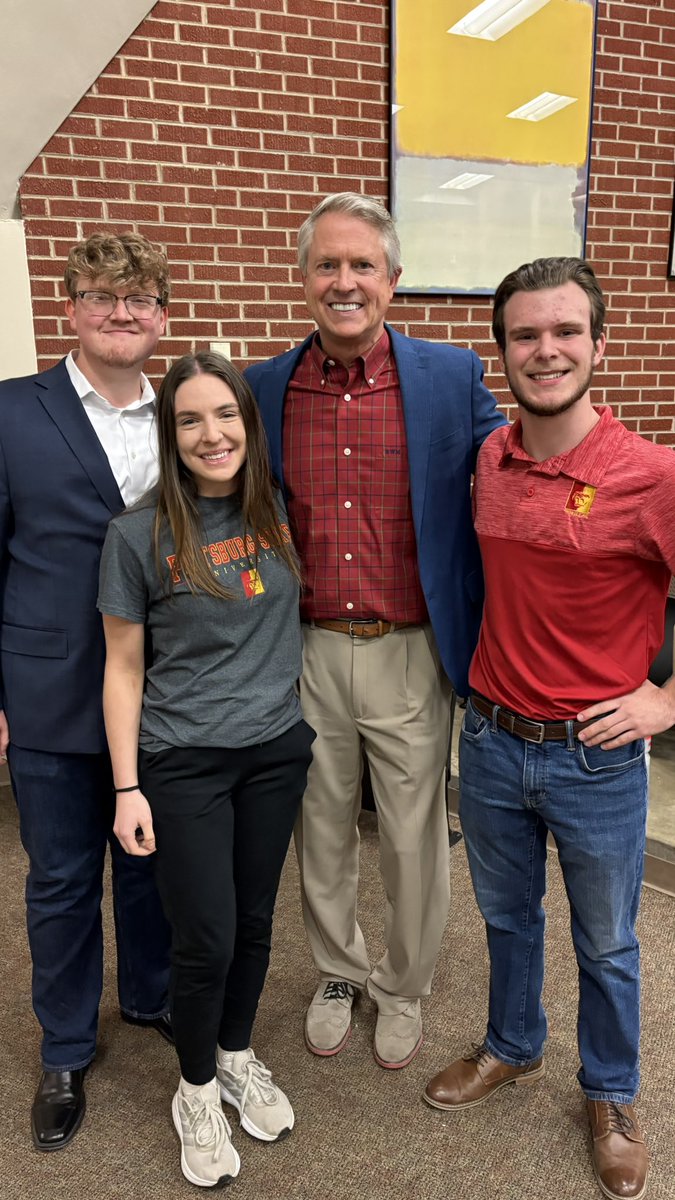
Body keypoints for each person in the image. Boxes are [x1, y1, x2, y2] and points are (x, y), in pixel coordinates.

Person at [423, 257, 675, 1200]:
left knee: (606, 941)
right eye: (525, 334)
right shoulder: (490, 458)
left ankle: (610, 1093)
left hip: (595, 760)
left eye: (565, 331)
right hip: (489, 743)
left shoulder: (649, 475)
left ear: (599, 345)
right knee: (505, 917)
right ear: (504, 354)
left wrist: (662, 700)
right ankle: (511, 1044)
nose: (546, 350)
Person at [245, 192, 505, 1069]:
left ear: (393, 281)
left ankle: (403, 984)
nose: (344, 281)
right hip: (305, 650)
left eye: (362, 265)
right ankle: (338, 970)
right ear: (303, 279)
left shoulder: (449, 376)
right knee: (317, 825)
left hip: (409, 651)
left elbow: (512, 479)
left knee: (412, 835)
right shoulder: (262, 388)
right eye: (327, 264)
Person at [98, 352, 315, 1188]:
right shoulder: (137, 534)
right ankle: (193, 1090)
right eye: (189, 420)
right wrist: (126, 788)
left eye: (224, 415)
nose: (210, 433)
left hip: (273, 752)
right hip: (182, 762)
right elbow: (121, 669)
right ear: (170, 432)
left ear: (248, 425)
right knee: (206, 938)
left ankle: (233, 1054)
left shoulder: (278, 512)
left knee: (255, 923)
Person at [0, 232, 173, 1151]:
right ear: (69, 308)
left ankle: (150, 996)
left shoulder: (185, 414)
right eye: (103, 296)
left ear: (162, 317)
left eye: (140, 299)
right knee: (63, 880)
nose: (122, 313)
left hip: (166, 696)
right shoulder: (10, 412)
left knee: (150, 866)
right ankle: (66, 1045)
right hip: (51, 693)